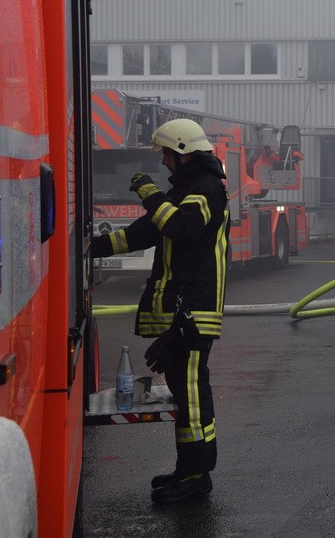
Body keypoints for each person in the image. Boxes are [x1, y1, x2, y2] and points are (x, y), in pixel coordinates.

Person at [91, 117, 229, 503]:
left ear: (183, 153)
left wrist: (149, 192)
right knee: (185, 396)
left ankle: (197, 476)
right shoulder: (186, 191)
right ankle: (187, 470)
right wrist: (87, 246)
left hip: (194, 315)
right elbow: (140, 234)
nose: (164, 163)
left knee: (192, 395)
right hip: (182, 315)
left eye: (167, 155)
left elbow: (182, 228)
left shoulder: (206, 191)